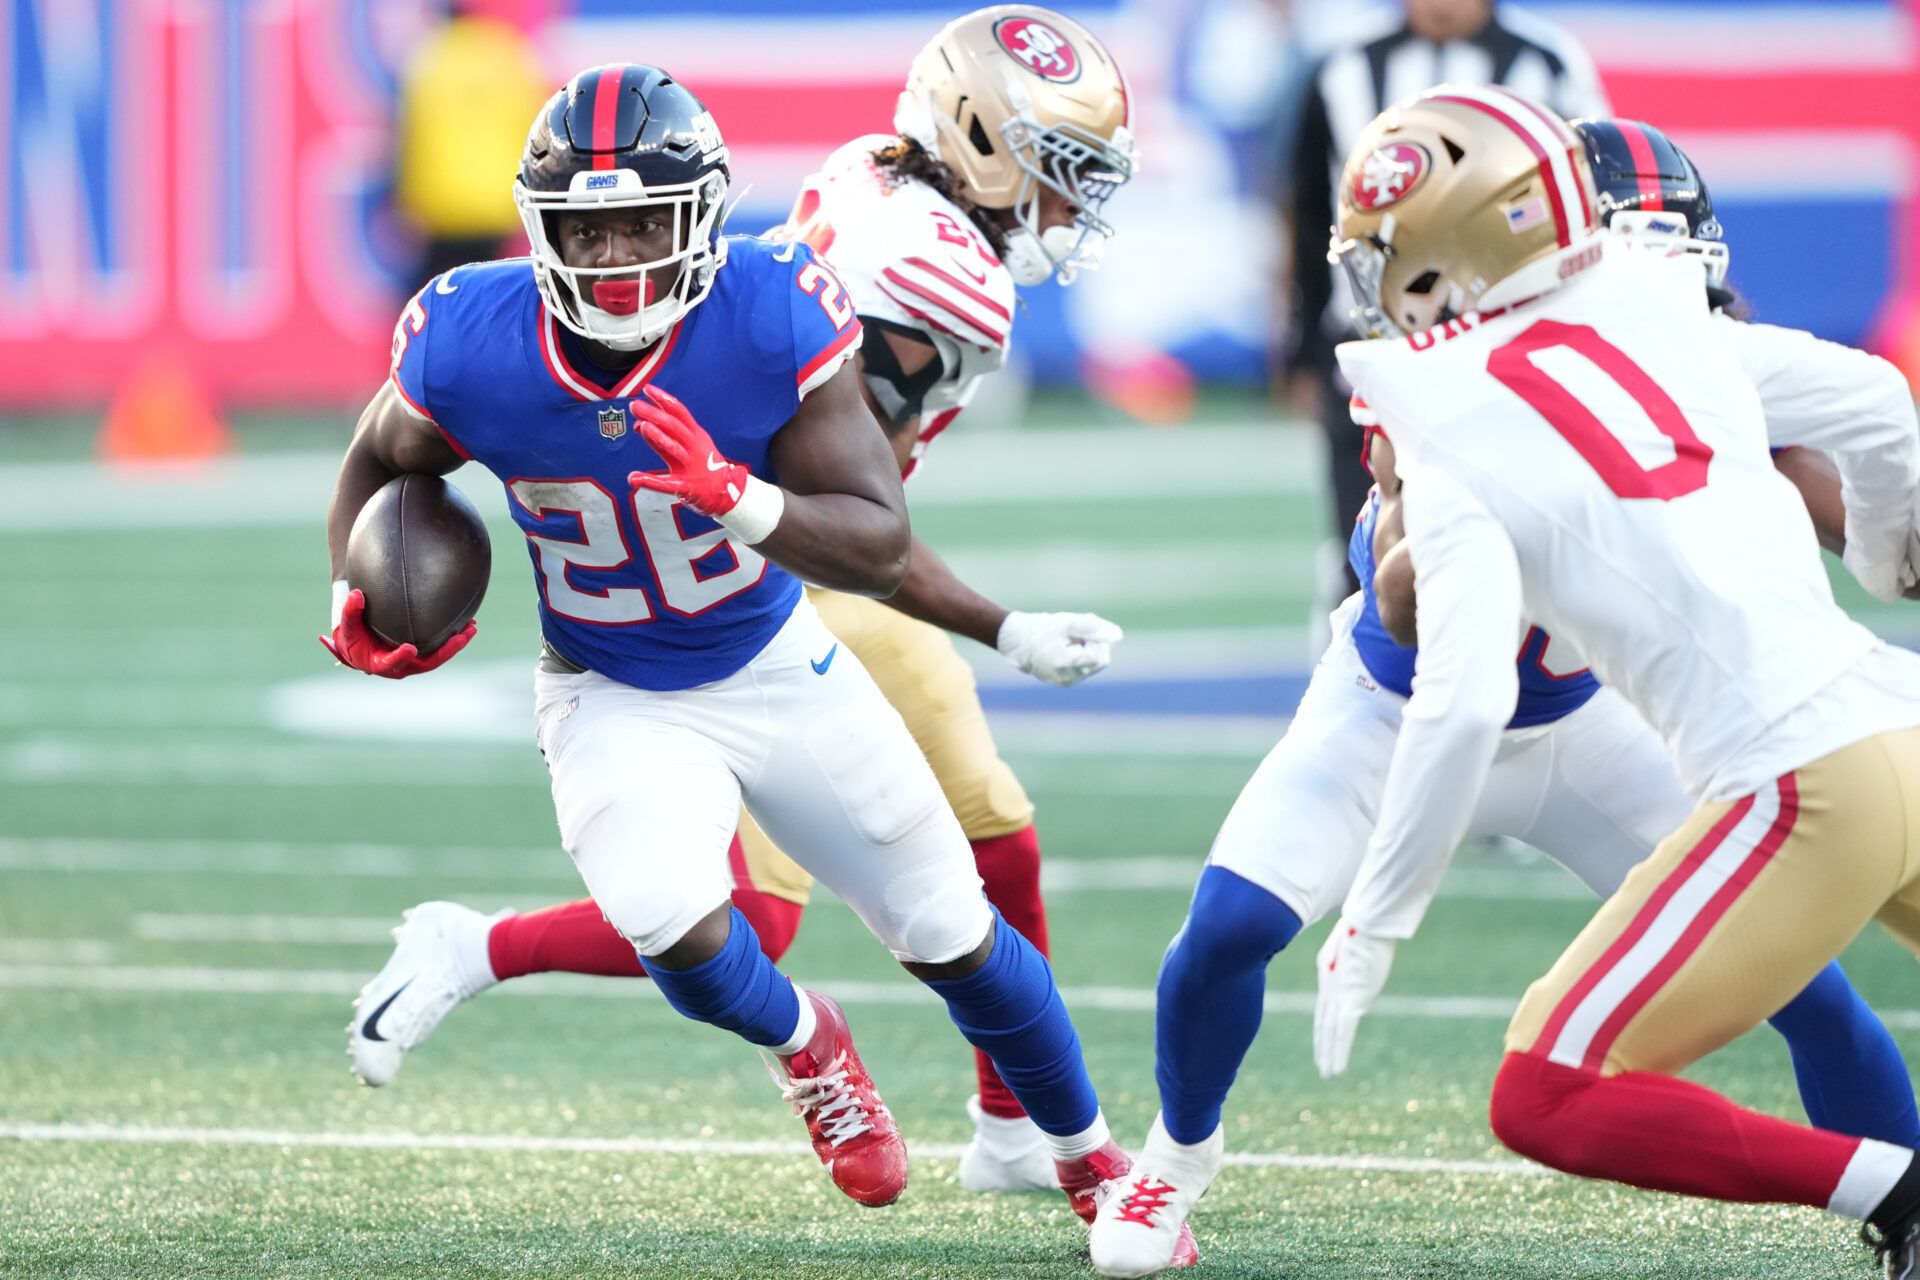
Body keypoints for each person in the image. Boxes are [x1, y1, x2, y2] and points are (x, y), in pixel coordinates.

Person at [323, 63, 1191, 1257]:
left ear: (703, 221)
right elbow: (381, 458)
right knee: (674, 915)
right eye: (589, 229)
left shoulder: (771, 304)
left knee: (955, 924)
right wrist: (357, 589)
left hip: (778, 654)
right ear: (539, 233)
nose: (619, 255)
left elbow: (875, 537)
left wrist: (739, 496)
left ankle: (1092, 1162)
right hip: (610, 684)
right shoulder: (473, 333)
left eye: (644, 223)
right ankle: (809, 1045)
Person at [1086, 103, 1920, 1278]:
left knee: (1805, 984)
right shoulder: (1450, 387)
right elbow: (1408, 611)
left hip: (1596, 721)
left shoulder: (1664, 342)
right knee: (1223, 934)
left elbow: (1854, 429)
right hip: (1394, 704)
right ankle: (1174, 1159)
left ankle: (1902, 1209)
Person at [1278, 0, 1606, 604]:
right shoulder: (1343, 67)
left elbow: (1594, 198)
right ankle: (1366, 676)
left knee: (1525, 541)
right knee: (1368, 547)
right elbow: (1304, 210)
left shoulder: (1548, 63)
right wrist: (1299, 345)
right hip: (1372, 343)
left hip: (1513, 345)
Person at [392, 5, 547, 291]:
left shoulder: (429, 58)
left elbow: (412, 136)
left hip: (443, 207)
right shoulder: (505, 52)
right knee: (486, 295)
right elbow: (533, 133)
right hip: (495, 206)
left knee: (427, 299)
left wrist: (405, 201)